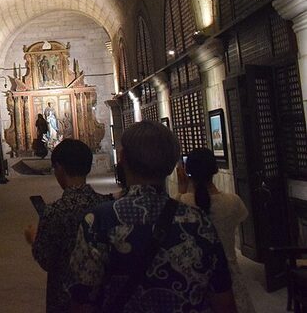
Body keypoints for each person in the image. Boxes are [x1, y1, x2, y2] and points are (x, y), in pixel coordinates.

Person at [67, 121, 236, 312]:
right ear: (172, 165)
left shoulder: (99, 221)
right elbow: (223, 300)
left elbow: (82, 299)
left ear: (122, 159)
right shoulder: (199, 220)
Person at [24, 139, 112, 313]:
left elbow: (46, 260)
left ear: (60, 169)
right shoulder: (107, 206)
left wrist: (34, 239)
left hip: (66, 296)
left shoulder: (55, 211)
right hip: (102, 296)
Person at [178, 148, 255, 313]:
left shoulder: (182, 202)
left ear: (187, 171)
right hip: (229, 272)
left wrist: (182, 189)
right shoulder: (233, 202)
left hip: (194, 274)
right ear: (215, 169)